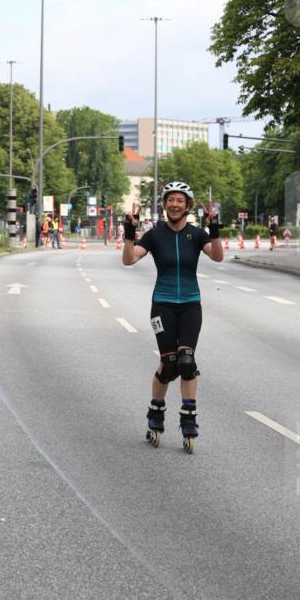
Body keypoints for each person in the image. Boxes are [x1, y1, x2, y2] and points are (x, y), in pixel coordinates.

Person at [122, 181, 223, 452]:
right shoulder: (155, 235)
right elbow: (129, 260)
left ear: (187, 206)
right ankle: (156, 413)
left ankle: (188, 418)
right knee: (168, 365)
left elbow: (217, 257)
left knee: (186, 361)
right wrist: (129, 231)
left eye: (179, 200)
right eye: (170, 200)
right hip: (162, 305)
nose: (174, 204)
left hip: (191, 305)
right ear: (165, 205)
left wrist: (213, 230)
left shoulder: (197, 234)